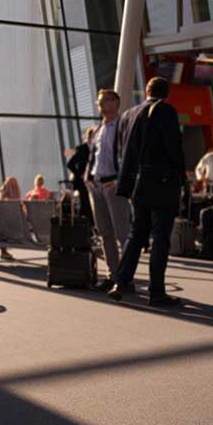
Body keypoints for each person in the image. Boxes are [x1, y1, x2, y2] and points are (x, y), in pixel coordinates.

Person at [108, 77, 185, 307]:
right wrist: (180, 177)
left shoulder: (128, 114)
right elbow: (174, 148)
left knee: (136, 235)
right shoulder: (165, 111)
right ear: (167, 93)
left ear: (147, 91)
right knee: (160, 238)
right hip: (161, 184)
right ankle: (157, 293)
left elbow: (118, 150)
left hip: (136, 185)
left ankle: (120, 282)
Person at [86, 89, 132, 292]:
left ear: (116, 103)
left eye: (105, 101)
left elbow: (130, 156)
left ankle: (126, 278)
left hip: (113, 185)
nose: (100, 105)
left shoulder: (122, 127)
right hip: (96, 186)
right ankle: (112, 275)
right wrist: (87, 177)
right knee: (105, 233)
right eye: (99, 102)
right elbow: (93, 156)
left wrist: (120, 180)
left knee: (122, 233)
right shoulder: (98, 129)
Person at [65, 125, 97, 226]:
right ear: (90, 137)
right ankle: (86, 228)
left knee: (90, 204)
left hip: (92, 180)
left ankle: (89, 227)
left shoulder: (96, 149)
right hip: (82, 182)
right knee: (85, 203)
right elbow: (70, 164)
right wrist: (80, 174)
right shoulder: (82, 149)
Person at [0, 176, 22, 260]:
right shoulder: (18, 206)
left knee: (1, 229)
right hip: (19, 235)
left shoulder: (1, 207)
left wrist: (2, 194)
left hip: (5, 236)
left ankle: (4, 251)